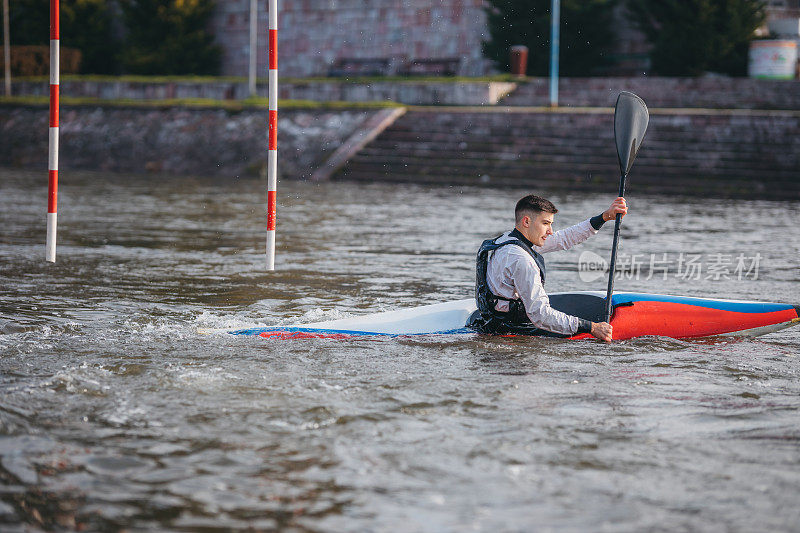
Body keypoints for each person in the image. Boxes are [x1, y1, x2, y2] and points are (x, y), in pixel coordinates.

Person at [467, 194, 628, 342]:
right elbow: (541, 315)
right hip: (513, 332)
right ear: (526, 221)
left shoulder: (506, 240)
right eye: (546, 223)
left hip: (491, 324)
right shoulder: (522, 260)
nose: (550, 231)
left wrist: (605, 217)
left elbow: (563, 238)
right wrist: (592, 327)